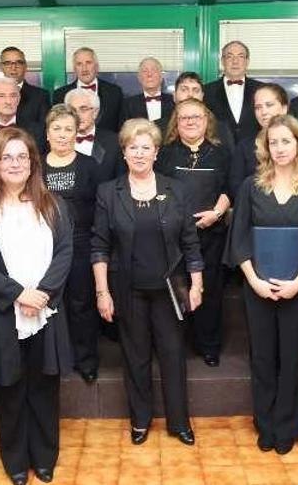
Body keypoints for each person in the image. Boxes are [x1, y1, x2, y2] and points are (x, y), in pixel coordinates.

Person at [0, 127, 73, 485]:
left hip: (46, 310)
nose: (14, 163)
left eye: (22, 156)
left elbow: (65, 252)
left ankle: (44, 457)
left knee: (44, 386)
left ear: (33, 163)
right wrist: (17, 294)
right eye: (6, 156)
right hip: (2, 313)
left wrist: (42, 293)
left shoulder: (53, 205)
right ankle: (15, 462)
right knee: (8, 390)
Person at [91, 118, 204, 447]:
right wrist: (102, 292)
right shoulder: (108, 193)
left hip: (169, 290)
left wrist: (197, 285)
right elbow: (99, 246)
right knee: (135, 357)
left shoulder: (175, 189)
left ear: (156, 152)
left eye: (146, 148)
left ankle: (179, 422)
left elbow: (190, 242)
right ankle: (140, 420)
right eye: (132, 148)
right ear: (123, 153)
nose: (139, 154)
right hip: (128, 289)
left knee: (173, 356)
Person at [226, 114, 298, 454]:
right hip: (257, 287)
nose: (280, 148)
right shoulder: (251, 185)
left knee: (292, 357)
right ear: (265, 147)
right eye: (274, 142)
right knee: (262, 358)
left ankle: (288, 424)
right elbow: (238, 237)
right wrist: (254, 281)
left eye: (287, 140)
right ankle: (265, 423)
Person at [157, 98, 231, 367]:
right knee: (174, 291)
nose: (190, 121)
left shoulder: (221, 153)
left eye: (196, 117)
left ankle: (208, 346)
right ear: (176, 122)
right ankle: (177, 346)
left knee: (208, 291)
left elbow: (229, 188)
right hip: (172, 237)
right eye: (184, 117)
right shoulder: (164, 154)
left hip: (210, 234)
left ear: (206, 121)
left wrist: (217, 213)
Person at [41, 104, 102, 382]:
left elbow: (99, 209)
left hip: (80, 245)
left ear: (77, 133)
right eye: (57, 128)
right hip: (42, 248)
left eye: (69, 129)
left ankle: (85, 360)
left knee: (81, 304)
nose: (63, 135)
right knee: (47, 303)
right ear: (47, 133)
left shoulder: (89, 166)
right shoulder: (34, 167)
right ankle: (51, 359)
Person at [229, 83, 289, 198]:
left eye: (269, 105)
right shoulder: (244, 146)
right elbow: (236, 188)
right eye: (258, 107)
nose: (263, 112)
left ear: (284, 108)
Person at [204, 41, 263, 142]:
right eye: (229, 56)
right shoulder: (206, 91)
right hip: (218, 153)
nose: (235, 61)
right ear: (222, 61)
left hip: (254, 153)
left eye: (240, 56)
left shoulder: (262, 90)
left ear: (247, 61)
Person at [53, 47, 124, 132]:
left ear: (97, 67)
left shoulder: (114, 92)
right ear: (74, 69)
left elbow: (121, 127)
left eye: (88, 63)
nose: (84, 68)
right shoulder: (60, 94)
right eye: (79, 64)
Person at [0, 46, 51, 125]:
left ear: (25, 66)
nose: (13, 67)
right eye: (8, 63)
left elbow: (45, 129)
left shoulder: (41, 96)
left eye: (19, 62)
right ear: (1, 67)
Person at [65, 88, 123, 182]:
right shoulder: (59, 141)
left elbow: (121, 180)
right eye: (73, 110)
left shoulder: (114, 142)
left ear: (95, 113)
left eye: (83, 109)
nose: (78, 115)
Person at [173, 72, 235, 151]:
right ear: (174, 96)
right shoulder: (160, 127)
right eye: (184, 90)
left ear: (202, 96)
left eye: (196, 90)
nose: (190, 94)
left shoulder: (220, 129)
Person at [0, 77, 46, 155]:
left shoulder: (37, 131)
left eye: (13, 96)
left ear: (18, 99)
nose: (8, 101)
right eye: (1, 96)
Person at [120, 57, 175, 124]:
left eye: (154, 70)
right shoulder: (128, 104)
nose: (149, 75)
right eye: (145, 71)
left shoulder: (174, 101)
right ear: (139, 78)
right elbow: (124, 132)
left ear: (161, 76)